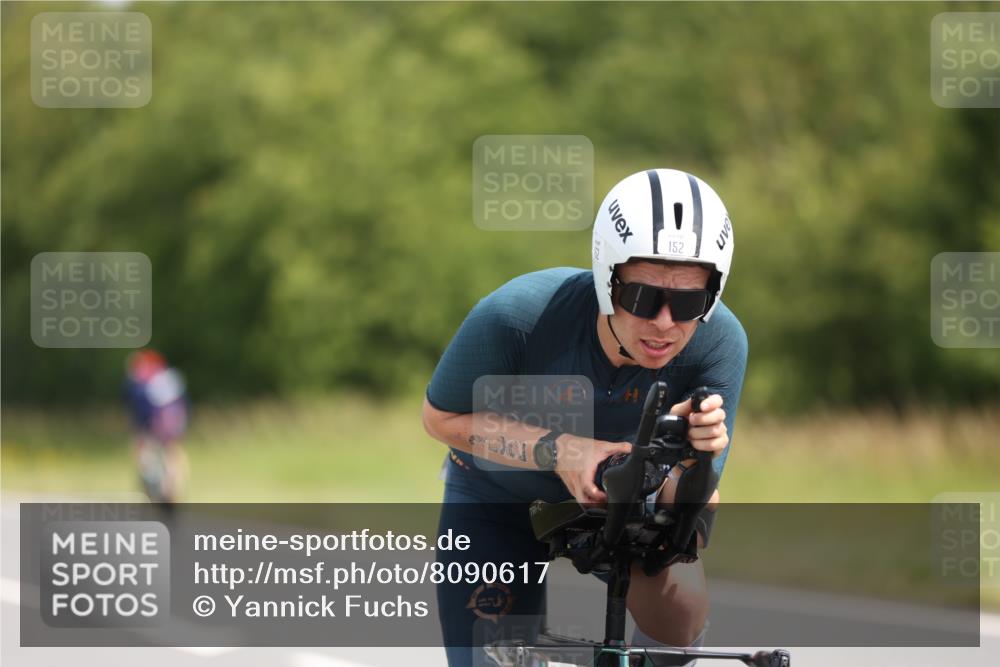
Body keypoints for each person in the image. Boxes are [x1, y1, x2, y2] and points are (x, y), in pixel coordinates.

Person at [422, 169, 748, 666]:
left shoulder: (720, 343)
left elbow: (688, 505)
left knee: (681, 618)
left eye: (689, 302)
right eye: (642, 297)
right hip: (499, 496)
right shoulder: (516, 315)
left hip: (620, 504)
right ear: (606, 276)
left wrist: (690, 458)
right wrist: (563, 450)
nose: (664, 322)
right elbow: (439, 418)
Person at [125, 349, 190, 503]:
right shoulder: (170, 378)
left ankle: (155, 493)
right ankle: (171, 493)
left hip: (156, 425)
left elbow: (143, 410)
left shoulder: (143, 383)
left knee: (148, 456)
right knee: (172, 456)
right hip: (174, 423)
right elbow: (182, 405)